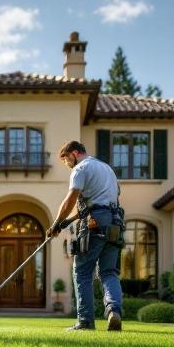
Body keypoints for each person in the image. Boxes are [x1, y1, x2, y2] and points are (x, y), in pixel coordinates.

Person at [47, 140, 125, 331]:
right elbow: (97, 202)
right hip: (115, 222)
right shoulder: (107, 169)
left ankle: (85, 321)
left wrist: (55, 224)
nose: (67, 165)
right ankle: (114, 310)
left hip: (94, 224)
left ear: (74, 153)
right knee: (109, 272)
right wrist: (66, 222)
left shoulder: (81, 169)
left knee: (82, 271)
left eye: (66, 160)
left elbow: (70, 200)